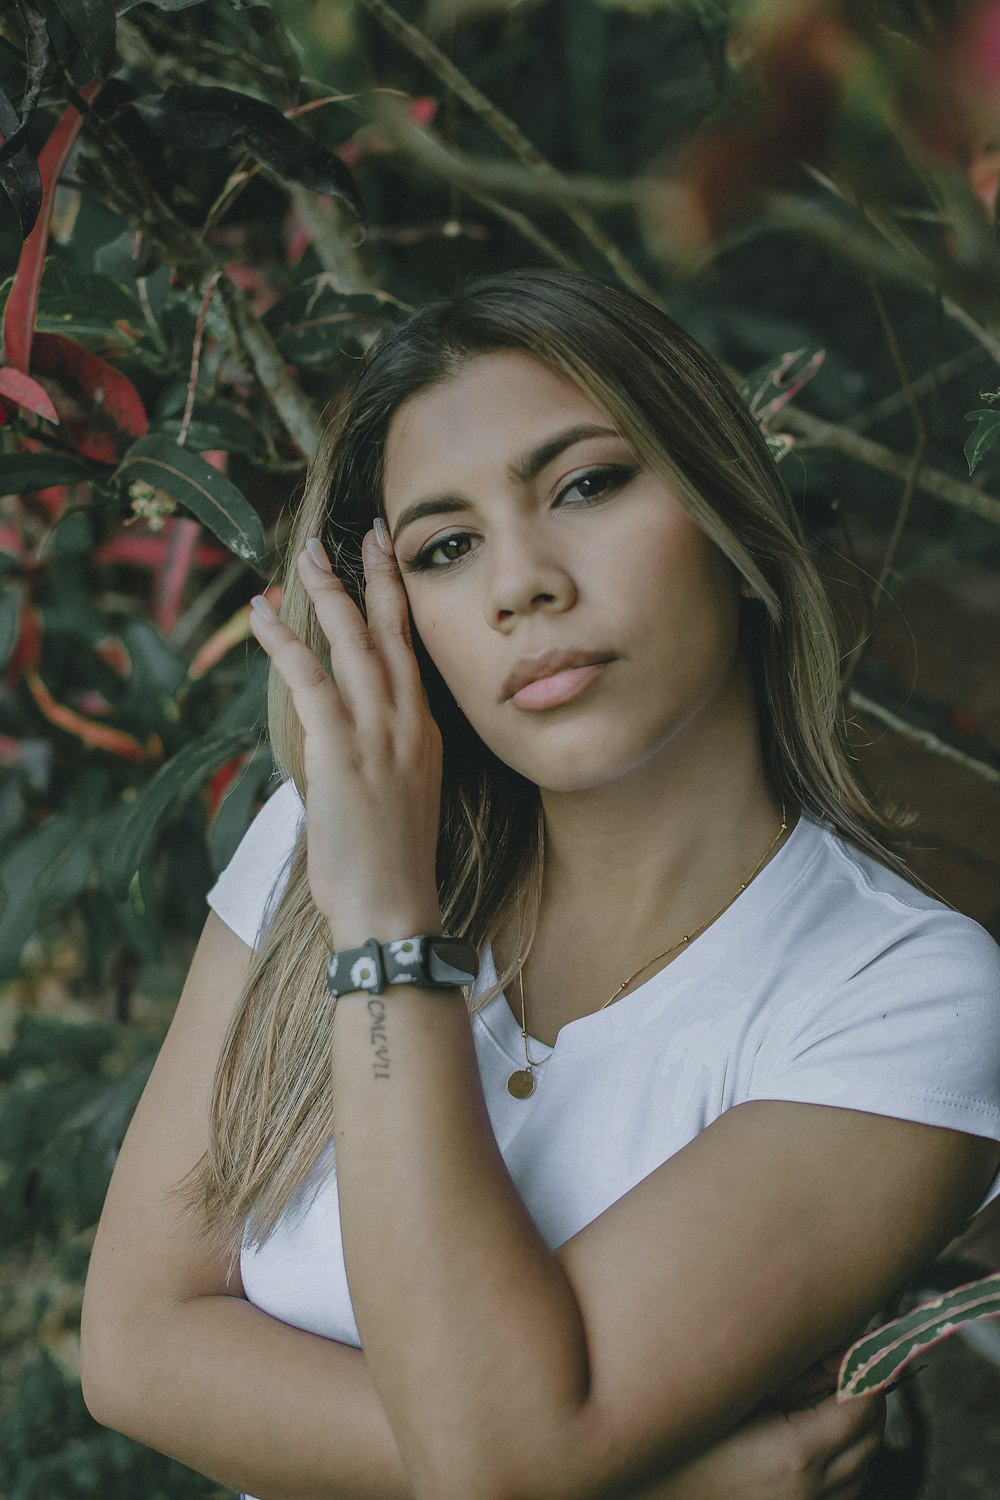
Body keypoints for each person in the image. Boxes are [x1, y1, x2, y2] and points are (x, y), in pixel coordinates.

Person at [81, 268, 1000, 1500]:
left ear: (729, 525)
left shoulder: (903, 996)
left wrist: (388, 941)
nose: (521, 583)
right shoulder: (330, 840)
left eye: (586, 484)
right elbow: (135, 1351)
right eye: (447, 547)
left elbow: (498, 1460)